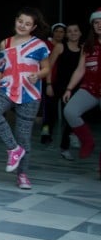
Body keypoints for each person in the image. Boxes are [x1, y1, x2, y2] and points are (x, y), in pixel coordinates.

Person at [0, 7, 51, 190]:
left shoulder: (39, 45)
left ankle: (22, 175)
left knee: (24, 135)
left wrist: (38, 75)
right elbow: (1, 67)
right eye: (20, 21)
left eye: (28, 24)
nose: (23, 26)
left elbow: (47, 68)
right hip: (7, 88)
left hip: (30, 93)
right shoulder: (4, 43)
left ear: (33, 27)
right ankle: (13, 149)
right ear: (15, 21)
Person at [62, 10, 101, 167]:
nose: (99, 25)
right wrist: (69, 88)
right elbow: (80, 69)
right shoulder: (87, 46)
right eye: (96, 22)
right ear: (93, 26)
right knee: (69, 111)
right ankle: (87, 142)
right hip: (90, 88)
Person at [51, 22, 82, 159]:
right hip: (62, 87)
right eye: (70, 31)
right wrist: (48, 84)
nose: (73, 33)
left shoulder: (84, 48)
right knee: (67, 115)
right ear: (66, 34)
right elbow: (49, 66)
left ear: (80, 33)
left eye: (76, 31)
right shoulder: (60, 47)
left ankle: (72, 136)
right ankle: (64, 147)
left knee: (76, 114)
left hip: (79, 86)